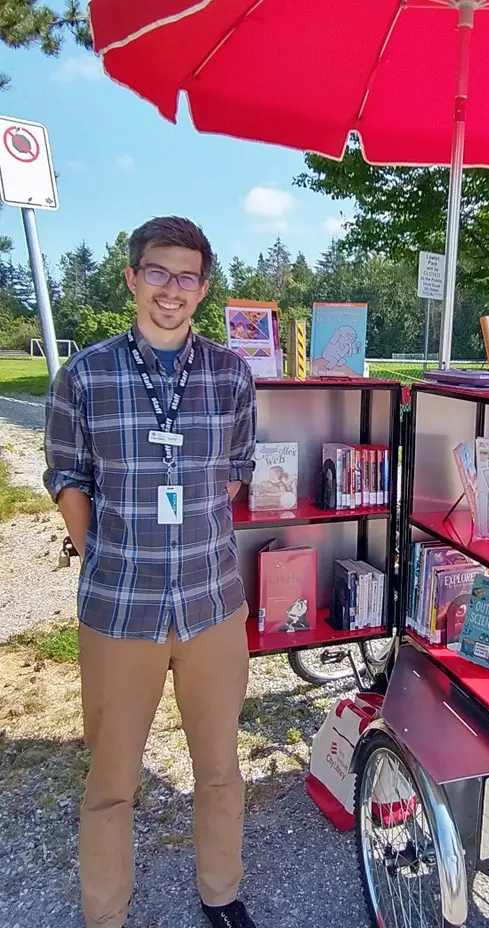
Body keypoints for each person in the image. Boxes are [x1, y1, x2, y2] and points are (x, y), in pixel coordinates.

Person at [44, 217, 258, 928]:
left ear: (203, 286)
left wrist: (184, 536)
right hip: (119, 609)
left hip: (212, 604)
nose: (173, 289)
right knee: (111, 782)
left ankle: (221, 893)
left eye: (188, 276)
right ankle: (106, 914)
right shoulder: (84, 374)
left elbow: (233, 476)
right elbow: (69, 479)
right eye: (158, 272)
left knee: (221, 769)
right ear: (133, 277)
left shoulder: (231, 375)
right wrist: (111, 551)